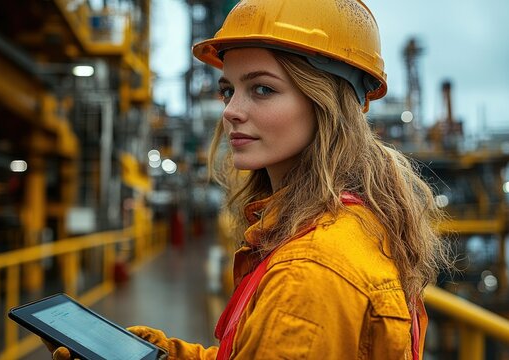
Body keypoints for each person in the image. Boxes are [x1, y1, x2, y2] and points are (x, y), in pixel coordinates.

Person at [48, 0, 451, 358]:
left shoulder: (309, 273)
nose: (231, 111)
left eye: (261, 88)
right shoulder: (352, 223)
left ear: (326, 103)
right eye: (228, 91)